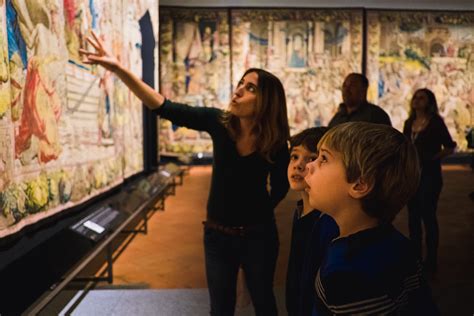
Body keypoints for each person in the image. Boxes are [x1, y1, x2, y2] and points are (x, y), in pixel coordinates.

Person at [80, 31, 290, 316]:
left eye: (250, 87)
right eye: (240, 83)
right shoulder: (220, 123)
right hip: (217, 237)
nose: (238, 90)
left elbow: (279, 189)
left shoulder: (276, 143)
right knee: (220, 309)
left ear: (267, 100)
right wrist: (118, 68)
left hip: (259, 238)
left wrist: (255, 216)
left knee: (265, 303)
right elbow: (164, 106)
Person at [305, 122, 438, 315]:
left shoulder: (346, 278)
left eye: (323, 159)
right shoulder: (399, 244)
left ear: (360, 184)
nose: (309, 165)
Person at [285, 127, 338, 316]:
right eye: (294, 157)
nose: (298, 165)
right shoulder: (300, 210)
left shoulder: (327, 222)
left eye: (311, 158)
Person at [403, 88, 456, 277]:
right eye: (415, 97)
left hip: (430, 176)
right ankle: (415, 259)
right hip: (413, 175)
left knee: (428, 215)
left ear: (429, 102)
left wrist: (434, 158)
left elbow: (450, 146)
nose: (417, 100)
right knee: (413, 218)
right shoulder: (409, 123)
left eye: (421, 97)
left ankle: (431, 260)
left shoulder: (435, 123)